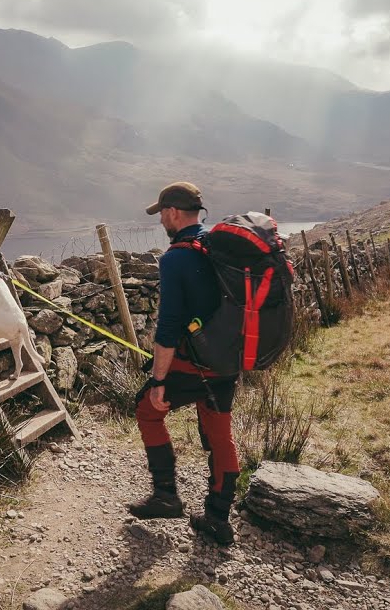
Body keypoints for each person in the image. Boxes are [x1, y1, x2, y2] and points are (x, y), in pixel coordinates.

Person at [127, 181, 239, 545]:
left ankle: (166, 496)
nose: (160, 219)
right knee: (220, 434)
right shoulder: (217, 247)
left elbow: (169, 327)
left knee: (147, 410)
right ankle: (218, 518)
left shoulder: (176, 257)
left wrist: (158, 380)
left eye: (161, 213)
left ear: (173, 212)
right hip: (229, 360)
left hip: (195, 365)